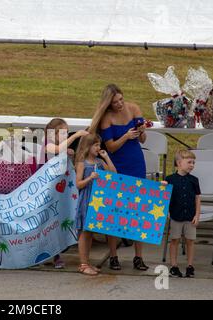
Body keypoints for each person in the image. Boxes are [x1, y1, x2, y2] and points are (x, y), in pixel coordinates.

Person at [89, 84, 149, 271]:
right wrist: (126, 136)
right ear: (108, 103)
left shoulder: (134, 108)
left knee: (139, 210)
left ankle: (138, 256)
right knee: (113, 211)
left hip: (136, 162)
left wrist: (141, 131)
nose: (120, 104)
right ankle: (113, 256)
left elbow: (142, 140)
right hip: (116, 165)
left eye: (121, 99)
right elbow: (111, 147)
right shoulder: (107, 118)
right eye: (115, 102)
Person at [41, 118, 89, 268]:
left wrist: (69, 154)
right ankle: (47, 253)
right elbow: (54, 151)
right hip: (46, 192)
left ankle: (57, 253)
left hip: (59, 191)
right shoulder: (47, 145)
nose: (66, 135)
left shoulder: (61, 146)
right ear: (53, 134)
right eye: (64, 133)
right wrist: (74, 136)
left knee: (58, 221)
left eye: (68, 133)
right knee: (47, 222)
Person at [75, 134, 116, 275]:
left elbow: (113, 173)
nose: (99, 147)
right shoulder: (82, 163)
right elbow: (78, 184)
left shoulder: (99, 162)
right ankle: (83, 264)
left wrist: (107, 157)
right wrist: (89, 178)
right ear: (88, 146)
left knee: (90, 232)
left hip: (97, 201)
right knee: (84, 232)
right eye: (96, 145)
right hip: (86, 199)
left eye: (99, 145)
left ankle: (87, 262)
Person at [165, 150, 201, 278]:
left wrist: (197, 215)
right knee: (174, 240)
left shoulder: (194, 180)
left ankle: (190, 266)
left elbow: (197, 198)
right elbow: (163, 197)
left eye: (193, 162)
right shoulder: (169, 179)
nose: (192, 165)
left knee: (190, 241)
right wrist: (162, 187)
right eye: (189, 162)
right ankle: (174, 266)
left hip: (190, 216)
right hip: (176, 216)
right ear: (179, 163)